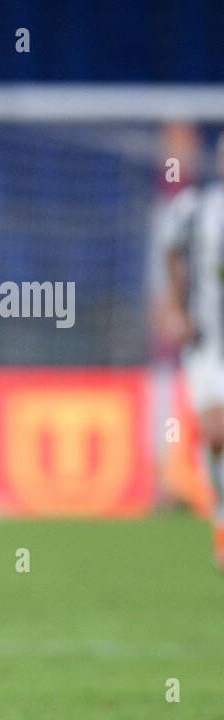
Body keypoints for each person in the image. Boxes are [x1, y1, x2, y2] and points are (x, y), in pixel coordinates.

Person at [162, 132, 224, 568]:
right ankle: (221, 517)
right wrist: (176, 307)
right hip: (209, 343)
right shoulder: (196, 209)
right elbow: (173, 252)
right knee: (217, 433)